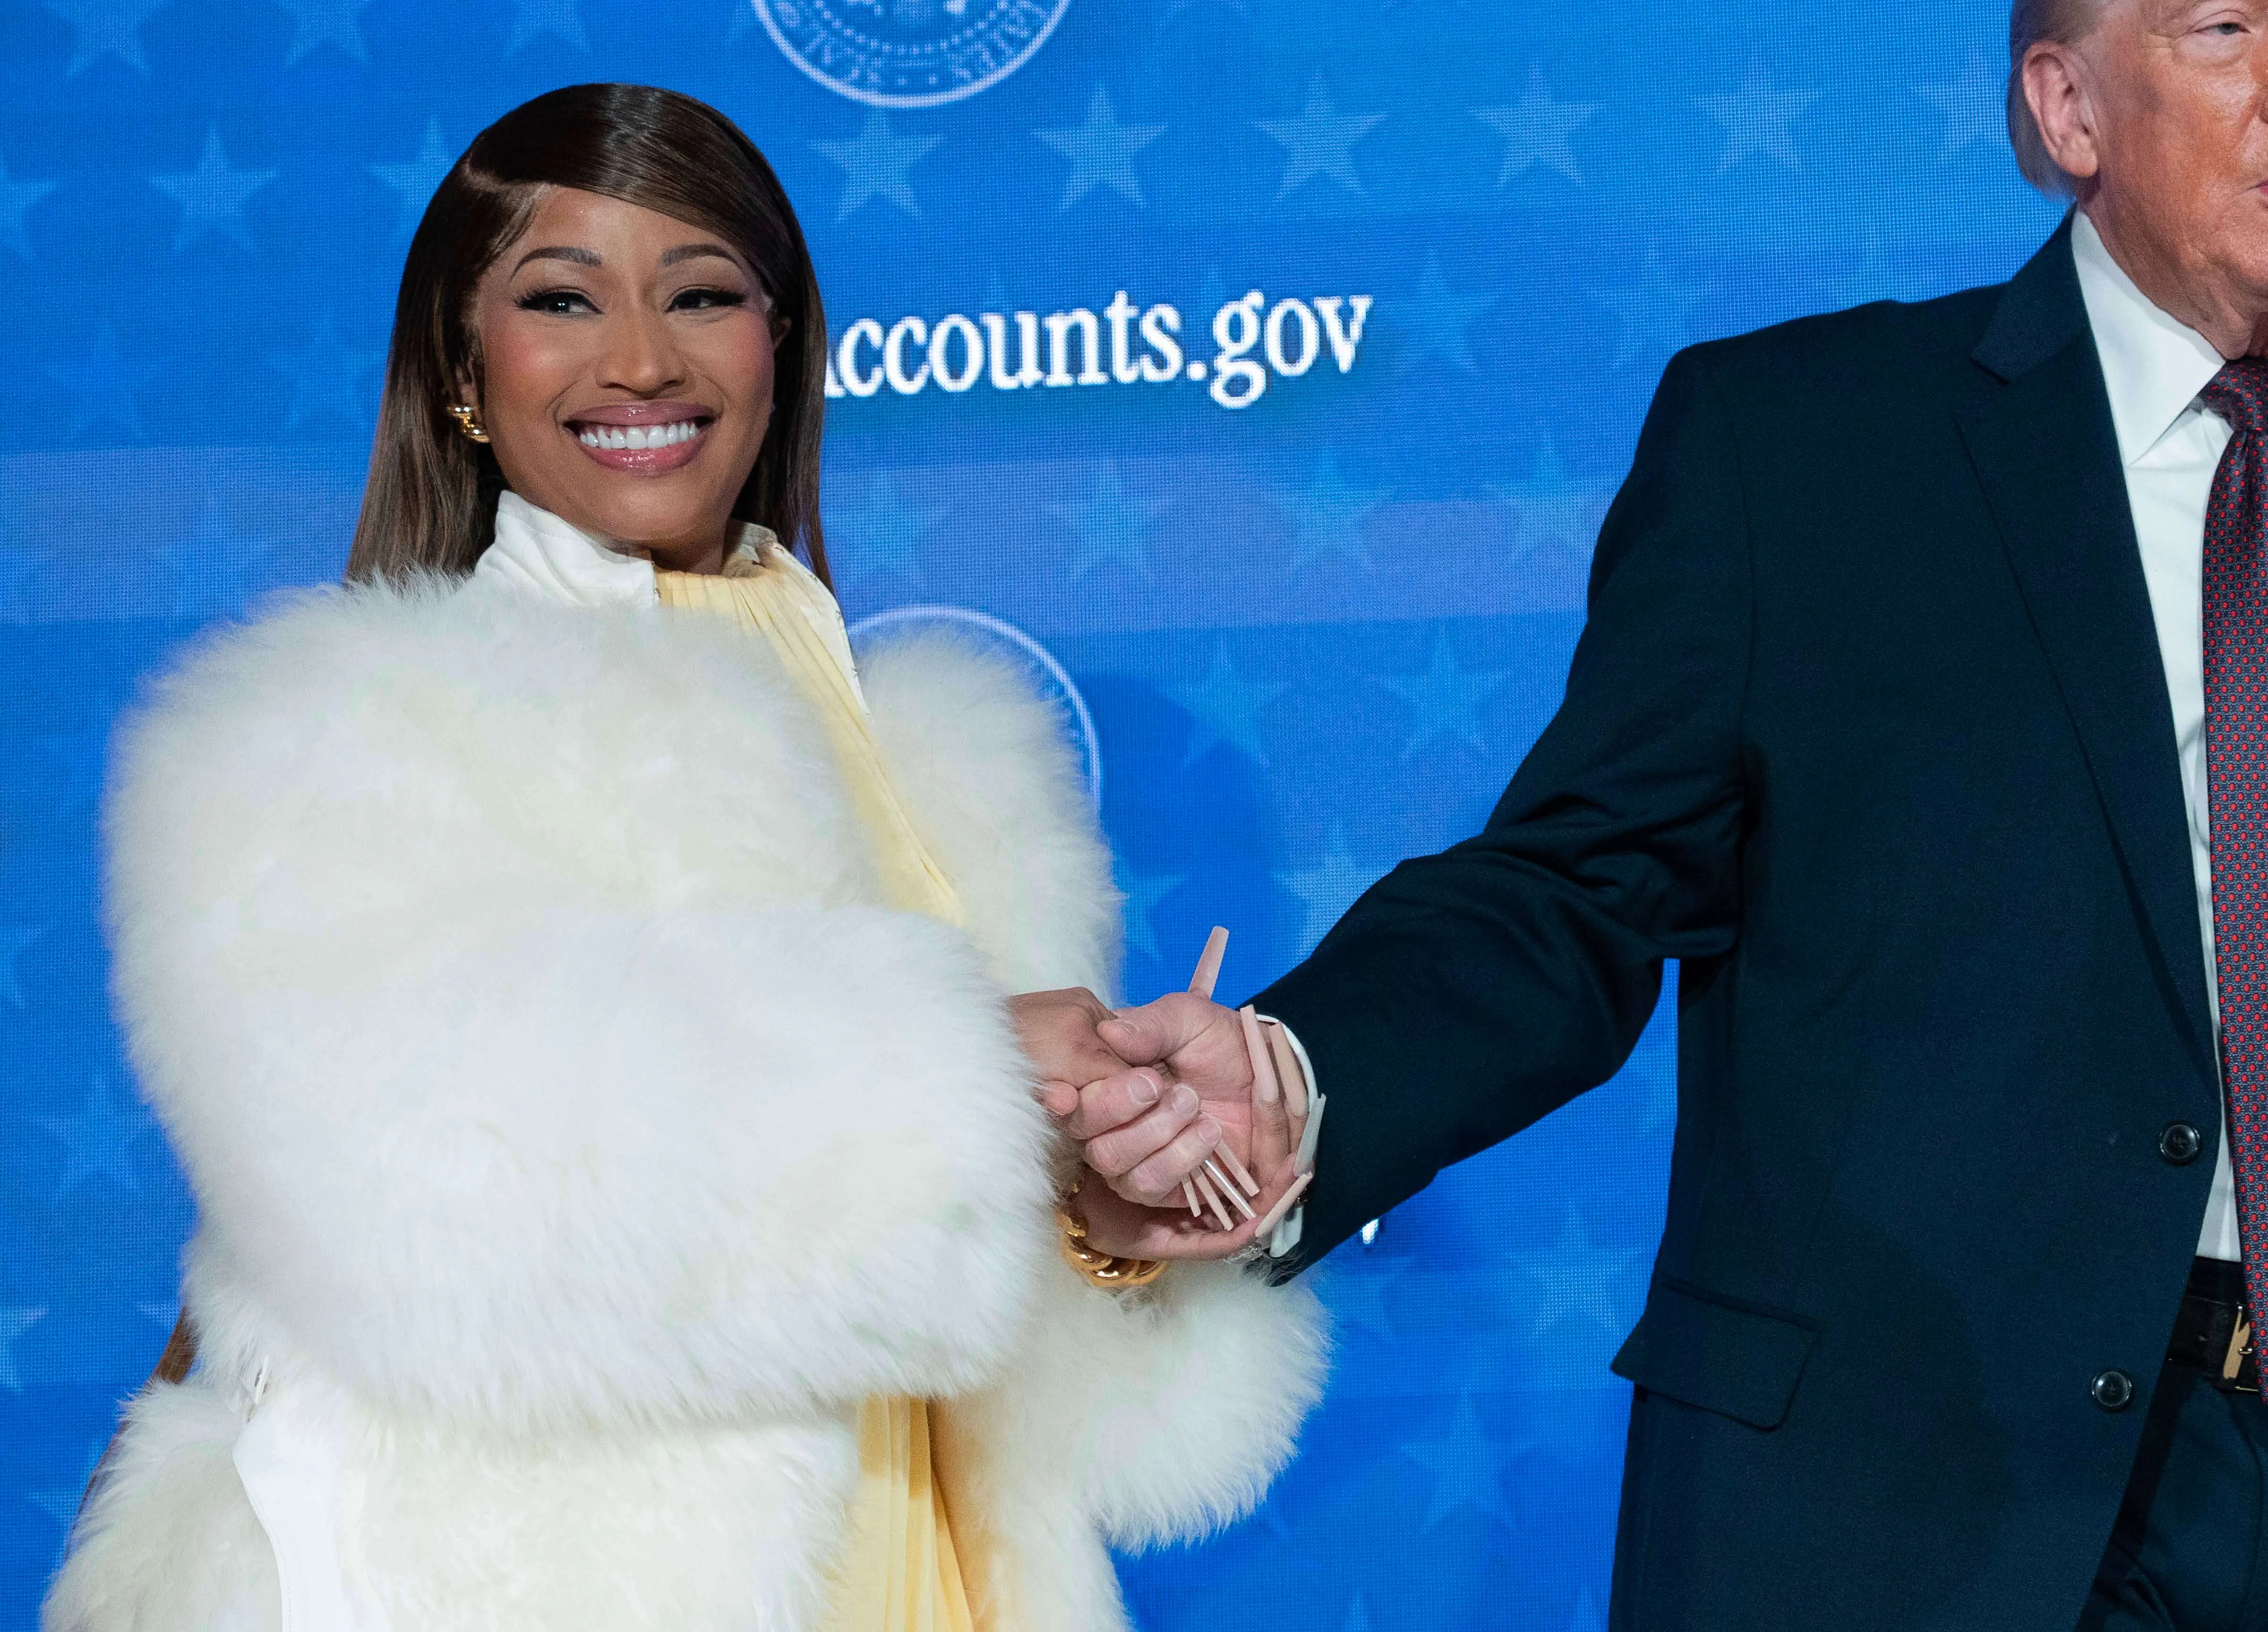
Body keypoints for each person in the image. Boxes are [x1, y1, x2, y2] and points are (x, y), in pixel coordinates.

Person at [1037, 0, 2268, 1632]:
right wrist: (1302, 1076)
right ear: (2066, 111)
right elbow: (1578, 892)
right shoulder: (1807, 456)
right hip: (1918, 1507)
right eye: (2227, 26)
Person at [45, 83, 1324, 1632]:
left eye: (704, 294)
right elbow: (451, 1193)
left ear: (781, 349)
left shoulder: (937, 756)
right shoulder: (324, 727)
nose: (641, 357)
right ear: (464, 366)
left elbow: (952, 1306)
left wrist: (1108, 1206)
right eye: (561, 299)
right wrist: (979, 1067)